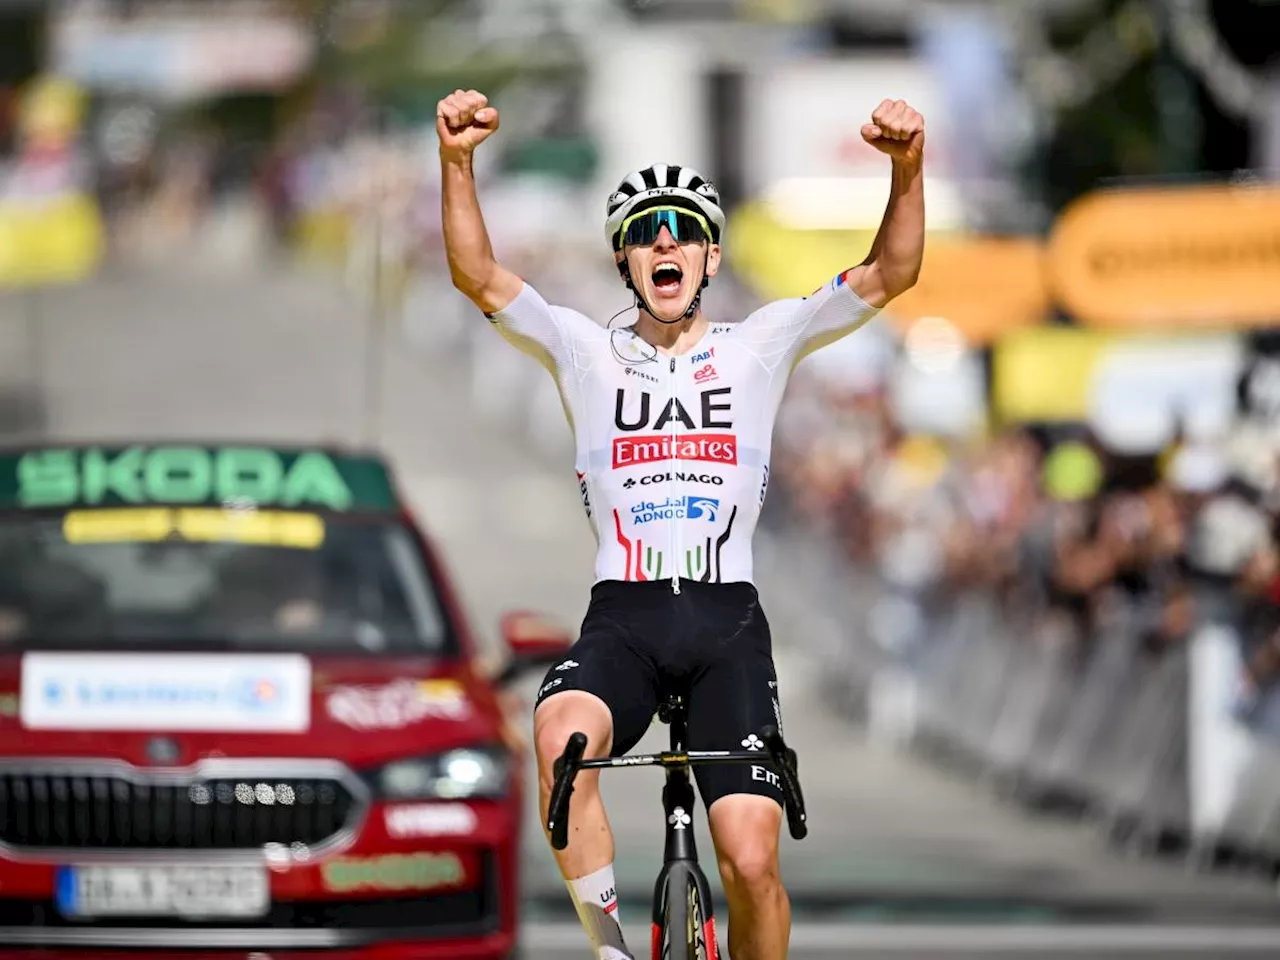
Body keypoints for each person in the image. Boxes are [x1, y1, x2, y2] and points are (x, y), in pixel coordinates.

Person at [437, 87, 925, 960]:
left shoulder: (760, 342)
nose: (666, 239)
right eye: (646, 230)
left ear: (708, 258)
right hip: (623, 617)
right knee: (558, 740)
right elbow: (478, 275)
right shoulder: (584, 348)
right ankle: (609, 951)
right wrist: (457, 162)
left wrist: (907, 170)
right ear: (626, 260)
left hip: (726, 621)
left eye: (685, 228)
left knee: (750, 861)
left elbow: (891, 273)